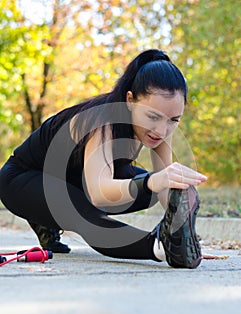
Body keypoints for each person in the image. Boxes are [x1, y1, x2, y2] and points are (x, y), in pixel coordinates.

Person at [0, 49, 207, 268]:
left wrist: (181, 232)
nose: (162, 130)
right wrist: (151, 182)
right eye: (152, 117)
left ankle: (46, 222)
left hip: (74, 178)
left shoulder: (162, 125)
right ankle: (159, 247)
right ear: (129, 100)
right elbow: (98, 194)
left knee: (156, 185)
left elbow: (164, 189)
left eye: (173, 120)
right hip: (21, 180)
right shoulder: (101, 121)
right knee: (82, 210)